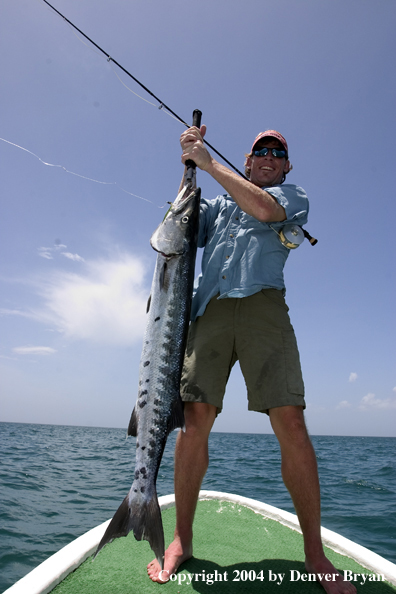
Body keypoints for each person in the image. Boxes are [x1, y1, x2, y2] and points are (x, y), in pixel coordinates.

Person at [147, 125, 356, 594]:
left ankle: (315, 554)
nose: (268, 156)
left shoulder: (293, 196)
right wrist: (187, 164)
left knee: (292, 422)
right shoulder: (217, 205)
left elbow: (264, 209)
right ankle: (182, 537)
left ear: (285, 166)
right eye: (260, 150)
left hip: (265, 308)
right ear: (247, 160)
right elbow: (175, 229)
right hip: (208, 310)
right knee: (194, 421)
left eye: (277, 152)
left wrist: (209, 163)